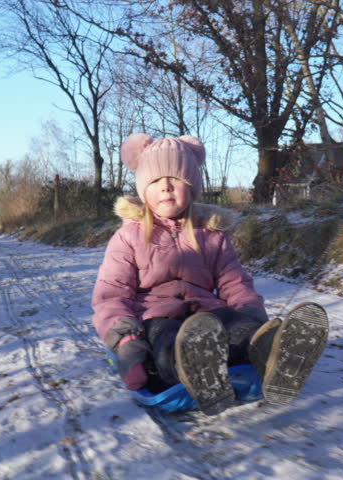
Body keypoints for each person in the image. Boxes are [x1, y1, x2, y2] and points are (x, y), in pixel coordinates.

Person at [91, 133, 329, 415]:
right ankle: (195, 371)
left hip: (206, 317)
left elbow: (234, 281)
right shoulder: (128, 236)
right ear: (143, 190)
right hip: (155, 317)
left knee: (235, 328)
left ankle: (273, 354)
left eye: (176, 180)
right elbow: (112, 292)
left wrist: (251, 314)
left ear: (191, 187)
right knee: (166, 340)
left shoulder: (211, 234)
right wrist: (125, 339)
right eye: (155, 181)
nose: (166, 187)